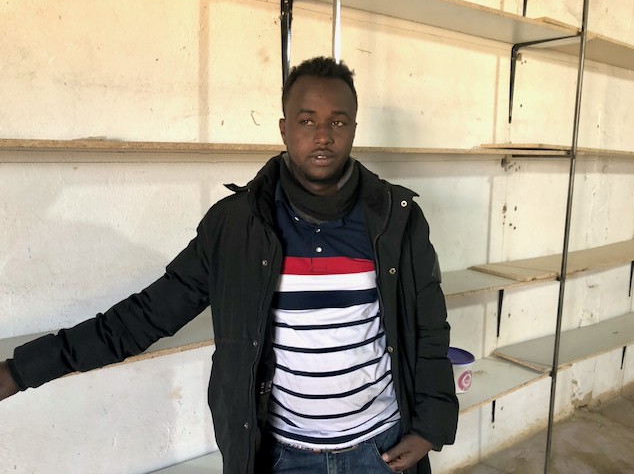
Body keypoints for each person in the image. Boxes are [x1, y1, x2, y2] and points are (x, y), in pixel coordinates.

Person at [0, 56, 458, 473]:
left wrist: (431, 426)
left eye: (338, 121)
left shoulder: (396, 218)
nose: (323, 135)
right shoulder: (235, 226)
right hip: (281, 456)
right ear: (283, 129)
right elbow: (142, 317)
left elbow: (428, 327)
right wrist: (19, 371)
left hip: (380, 450)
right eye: (307, 121)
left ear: (354, 128)